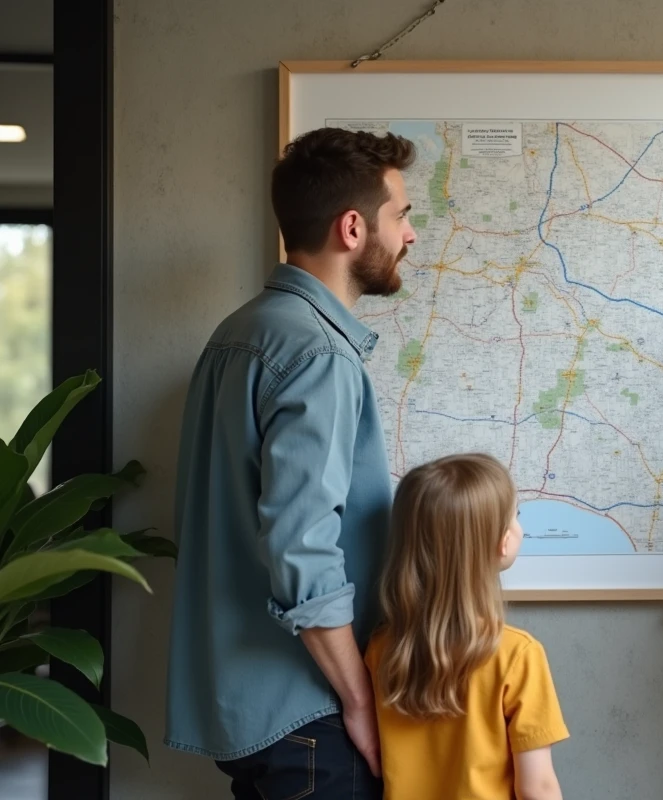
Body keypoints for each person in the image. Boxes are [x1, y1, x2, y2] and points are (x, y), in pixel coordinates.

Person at [164, 127, 419, 799]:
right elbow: (301, 548)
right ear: (354, 227)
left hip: (250, 710)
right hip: (310, 712)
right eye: (402, 216)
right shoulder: (317, 355)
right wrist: (360, 703)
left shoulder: (239, 333)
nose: (411, 236)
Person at [365, 453, 569, 800]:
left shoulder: (380, 648)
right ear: (501, 542)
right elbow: (538, 787)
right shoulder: (518, 655)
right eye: (514, 516)